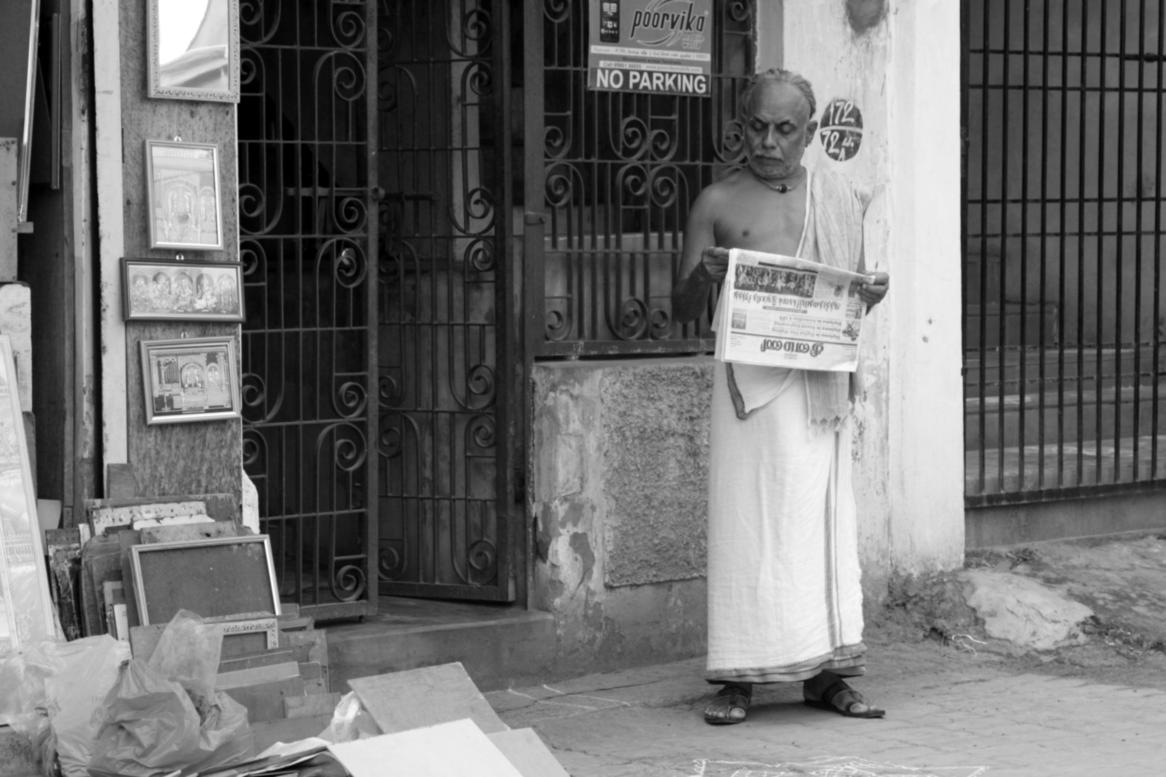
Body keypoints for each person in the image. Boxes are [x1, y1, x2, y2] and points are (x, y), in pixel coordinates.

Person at [672, 67, 890, 725]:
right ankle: (738, 677)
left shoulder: (838, 198)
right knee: (747, 526)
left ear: (810, 133)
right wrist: (704, 276)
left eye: (785, 129)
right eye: (757, 127)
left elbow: (847, 298)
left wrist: (870, 296)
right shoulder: (716, 202)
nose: (768, 142)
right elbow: (681, 307)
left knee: (815, 529)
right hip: (748, 392)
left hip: (817, 394)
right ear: (741, 127)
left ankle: (824, 673)